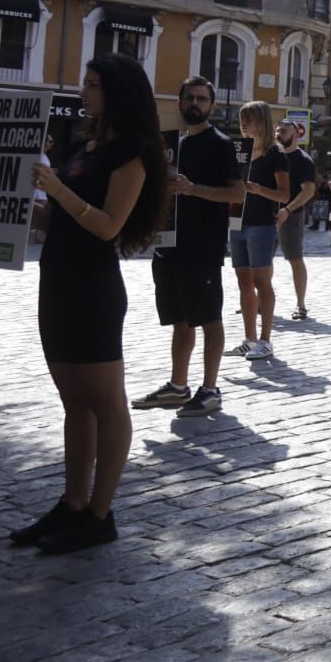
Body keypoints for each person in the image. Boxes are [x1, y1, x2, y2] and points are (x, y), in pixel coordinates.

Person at [14, 54, 168, 553]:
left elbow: (107, 226)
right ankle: (73, 503)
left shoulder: (132, 154)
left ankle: (101, 513)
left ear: (117, 92)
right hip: (56, 277)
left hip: (93, 287)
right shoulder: (85, 147)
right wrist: (8, 196)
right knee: (73, 402)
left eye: (93, 85)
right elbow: (57, 220)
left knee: (106, 402)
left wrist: (56, 187)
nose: (84, 92)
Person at [132, 77, 245, 419]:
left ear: (212, 105)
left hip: (203, 245)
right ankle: (178, 386)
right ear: (179, 103)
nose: (196, 103)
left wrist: (194, 189)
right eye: (190, 98)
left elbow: (237, 193)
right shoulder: (166, 144)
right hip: (167, 244)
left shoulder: (221, 144)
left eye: (202, 98)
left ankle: (210, 390)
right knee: (180, 319)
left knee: (209, 317)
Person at [229, 103, 289, 361]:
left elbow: (284, 194)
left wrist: (257, 189)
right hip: (236, 222)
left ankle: (266, 341)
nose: (244, 123)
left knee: (261, 282)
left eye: (249, 119)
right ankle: (249, 338)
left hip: (261, 224)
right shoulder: (238, 152)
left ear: (262, 121)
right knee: (243, 283)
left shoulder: (275, 154)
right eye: (242, 118)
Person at [273, 120, 318, 321]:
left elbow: (308, 190)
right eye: (277, 130)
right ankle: (259, 302)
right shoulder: (271, 155)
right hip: (267, 214)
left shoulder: (303, 160)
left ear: (296, 135)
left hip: (291, 216)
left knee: (295, 259)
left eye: (283, 131)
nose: (278, 133)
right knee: (262, 260)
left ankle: (301, 304)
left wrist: (288, 210)